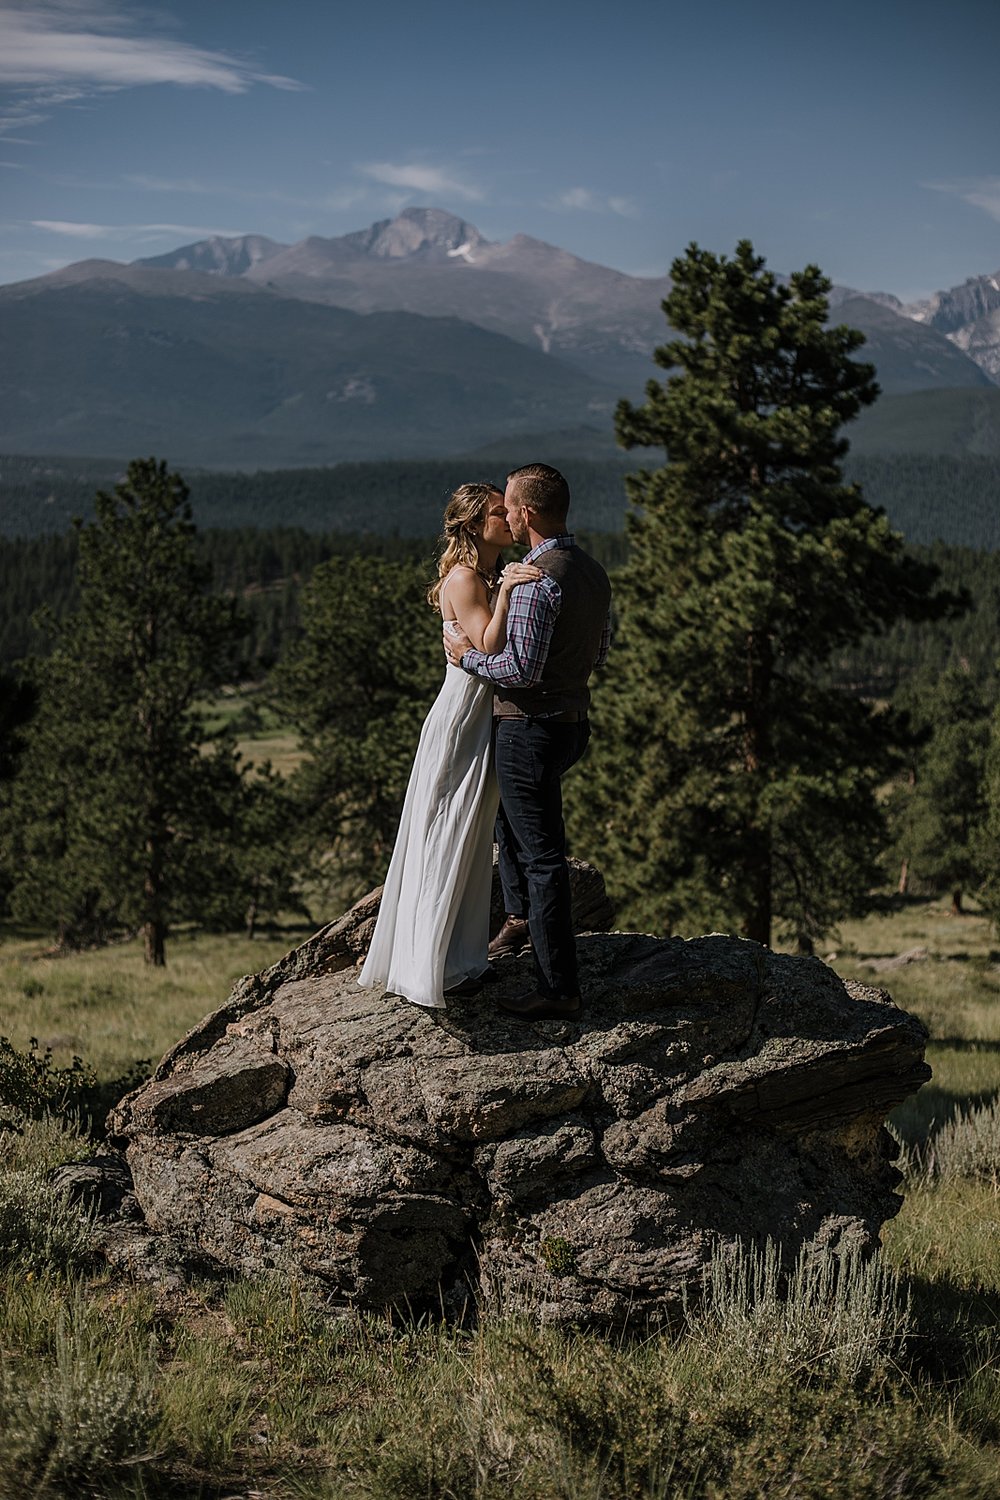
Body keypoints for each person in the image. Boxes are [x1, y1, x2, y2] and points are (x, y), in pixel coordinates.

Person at [357, 482, 541, 1009]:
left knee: (469, 830)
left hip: (480, 709)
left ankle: (459, 959)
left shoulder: (479, 575)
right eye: (495, 513)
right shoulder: (465, 579)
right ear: (471, 526)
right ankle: (429, 963)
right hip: (463, 716)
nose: (507, 517)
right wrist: (507, 591)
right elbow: (486, 645)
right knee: (447, 829)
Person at [444, 463, 612, 1022]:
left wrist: (466, 657)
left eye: (510, 507)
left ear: (530, 513)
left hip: (528, 727)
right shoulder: (590, 571)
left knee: (543, 859)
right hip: (571, 724)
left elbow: (518, 669)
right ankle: (517, 920)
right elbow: (599, 651)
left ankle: (558, 987)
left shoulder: (538, 580)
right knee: (510, 826)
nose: (508, 515)